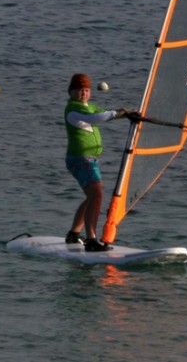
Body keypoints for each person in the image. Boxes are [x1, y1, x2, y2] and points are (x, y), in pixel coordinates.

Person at [64, 73, 131, 252]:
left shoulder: (89, 106)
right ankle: (91, 240)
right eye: (79, 91)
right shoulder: (73, 109)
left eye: (86, 90)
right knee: (97, 195)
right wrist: (117, 114)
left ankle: (73, 234)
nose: (83, 94)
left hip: (89, 160)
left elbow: (101, 112)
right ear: (70, 92)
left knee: (92, 197)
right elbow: (96, 118)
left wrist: (126, 115)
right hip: (80, 159)